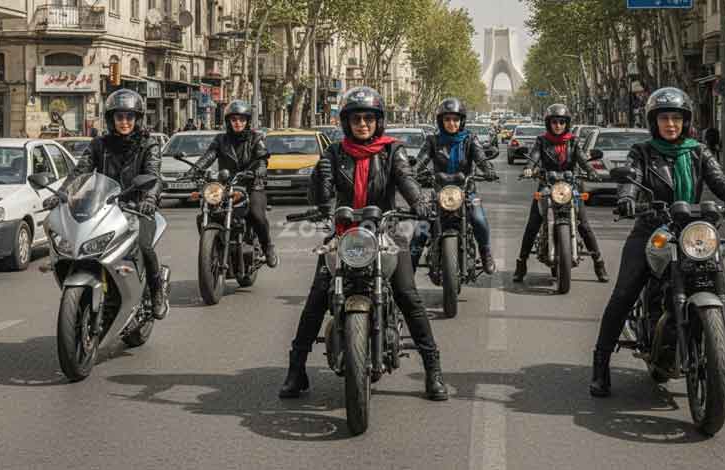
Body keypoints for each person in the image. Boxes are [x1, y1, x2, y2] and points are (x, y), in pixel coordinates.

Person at [590, 87, 725, 401]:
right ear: (654, 121)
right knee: (624, 292)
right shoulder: (642, 151)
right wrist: (627, 199)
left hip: (693, 231)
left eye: (676, 118)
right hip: (652, 228)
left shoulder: (698, 151)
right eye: (664, 118)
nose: (671, 124)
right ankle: (600, 365)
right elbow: (631, 179)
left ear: (686, 121)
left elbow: (720, 182)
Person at [279, 86, 448, 401]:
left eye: (368, 118)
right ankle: (296, 370)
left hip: (385, 231)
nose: (362, 124)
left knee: (408, 295)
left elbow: (406, 179)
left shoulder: (392, 151)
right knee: (317, 297)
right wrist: (320, 189)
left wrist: (420, 203)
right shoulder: (334, 153)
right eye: (356, 118)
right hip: (344, 233)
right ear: (346, 122)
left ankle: (432, 369)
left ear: (378, 121)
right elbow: (322, 194)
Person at [57, 89, 167, 319]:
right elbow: (80, 171)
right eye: (119, 117)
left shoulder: (148, 144)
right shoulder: (100, 144)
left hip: (137, 208)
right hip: (104, 209)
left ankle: (157, 292)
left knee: (145, 247)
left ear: (137, 119)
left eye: (129, 117)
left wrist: (149, 198)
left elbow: (154, 176)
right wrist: (62, 193)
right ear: (111, 119)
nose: (124, 122)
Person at [512, 103, 608, 283]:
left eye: (562, 122)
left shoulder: (573, 141)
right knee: (533, 224)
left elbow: (582, 159)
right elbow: (534, 157)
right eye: (554, 122)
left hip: (570, 187)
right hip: (547, 186)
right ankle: (521, 263)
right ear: (549, 123)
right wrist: (528, 168)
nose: (558, 125)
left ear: (567, 123)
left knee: (584, 225)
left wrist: (591, 171)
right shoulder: (541, 141)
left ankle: (599, 263)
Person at [410, 97, 498, 275]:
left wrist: (488, 170)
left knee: (479, 220)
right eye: (447, 119)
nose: (451, 123)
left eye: (455, 119)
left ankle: (486, 253)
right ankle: (408, 270)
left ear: (462, 121)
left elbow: (480, 158)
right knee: (421, 228)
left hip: (467, 193)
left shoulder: (470, 139)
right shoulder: (432, 140)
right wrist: (412, 172)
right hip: (439, 195)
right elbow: (421, 160)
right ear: (441, 121)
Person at [190, 100, 278, 268]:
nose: (238, 123)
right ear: (228, 121)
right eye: (234, 119)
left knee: (256, 214)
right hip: (226, 185)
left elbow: (262, 159)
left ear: (247, 121)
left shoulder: (256, 138)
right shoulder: (220, 139)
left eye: (242, 119)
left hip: (252, 185)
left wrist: (259, 170)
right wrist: (194, 170)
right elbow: (209, 156)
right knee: (207, 212)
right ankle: (212, 248)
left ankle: (268, 247)